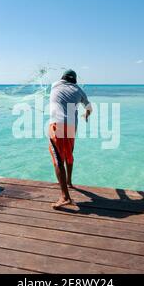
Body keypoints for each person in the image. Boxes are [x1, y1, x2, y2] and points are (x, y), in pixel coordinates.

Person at [48, 70, 93, 210]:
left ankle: (65, 197)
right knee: (68, 153)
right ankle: (68, 182)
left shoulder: (55, 85)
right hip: (72, 126)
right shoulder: (79, 90)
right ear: (74, 81)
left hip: (58, 124)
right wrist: (86, 115)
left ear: (62, 78)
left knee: (57, 159)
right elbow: (89, 108)